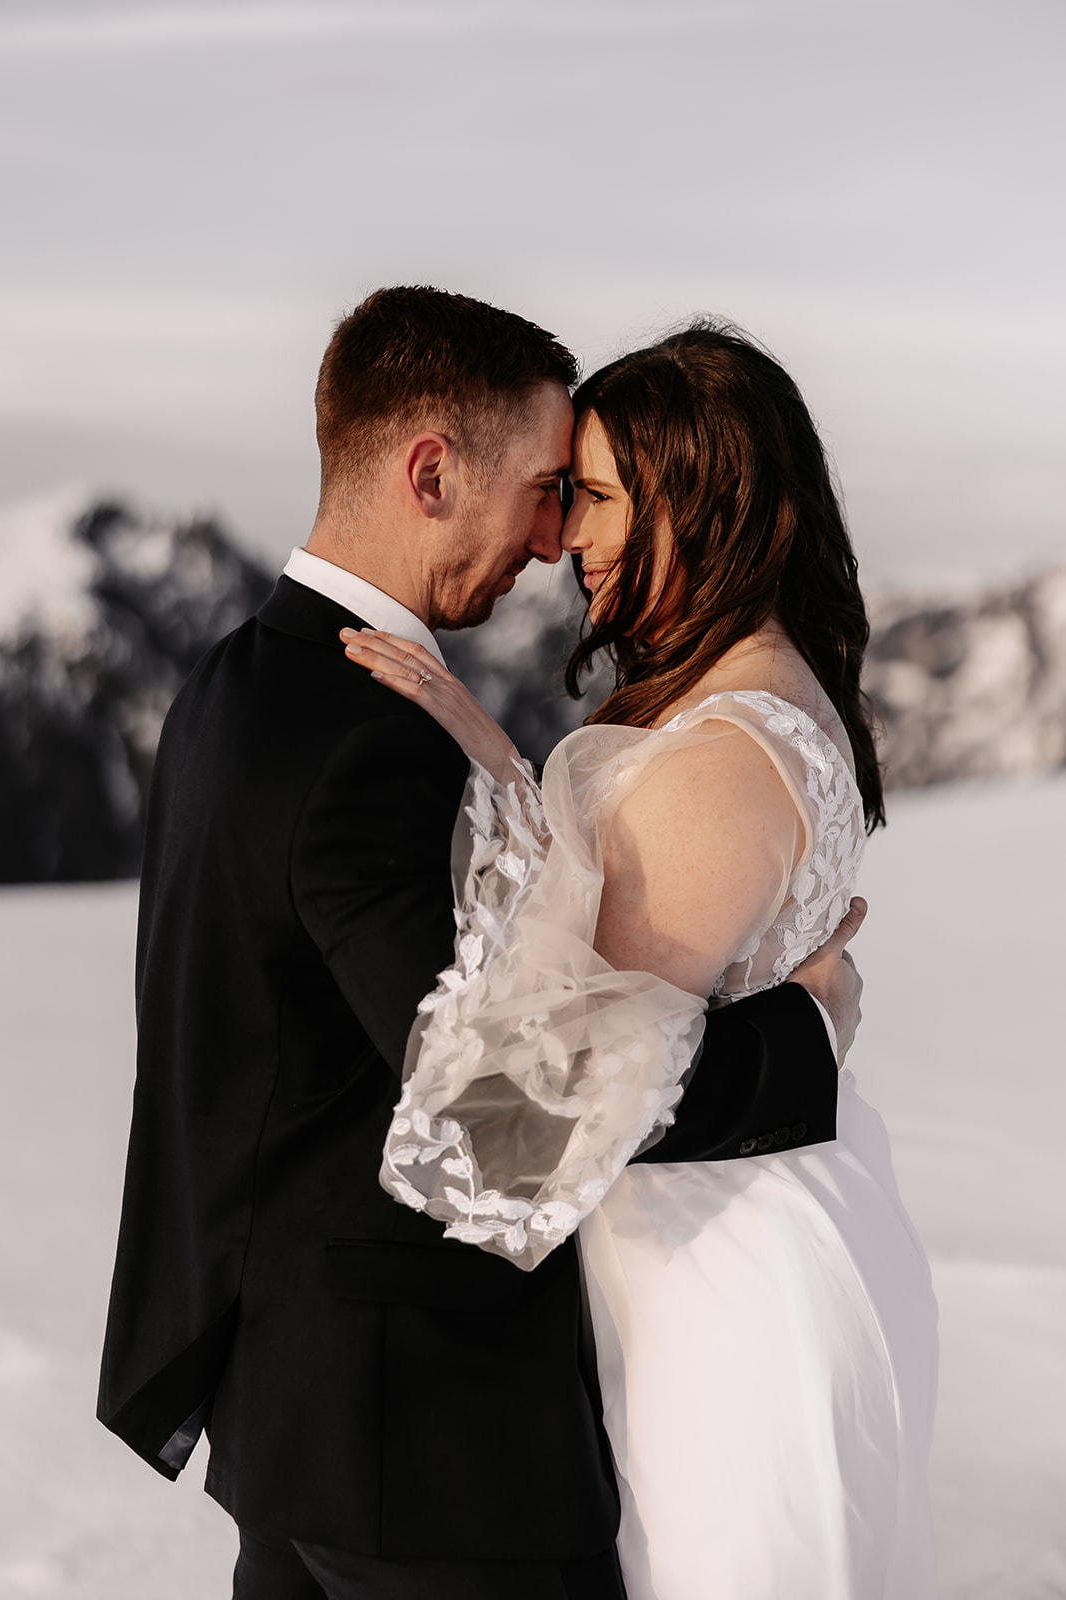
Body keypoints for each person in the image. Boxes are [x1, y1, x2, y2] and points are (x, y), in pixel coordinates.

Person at [98, 289, 862, 1600]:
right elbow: (515, 1112)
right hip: (430, 1439)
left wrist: (504, 782)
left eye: (586, 499)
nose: (556, 540)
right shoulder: (368, 742)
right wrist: (805, 1030)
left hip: (295, 1409)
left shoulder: (232, 683)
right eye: (549, 488)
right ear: (431, 471)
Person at [345, 320, 939, 1598]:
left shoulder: (721, 759)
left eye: (601, 495)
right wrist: (498, 759)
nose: (568, 539)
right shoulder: (734, 703)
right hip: (701, 1250)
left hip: (720, 1290)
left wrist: (808, 1028)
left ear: (705, 499)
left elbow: (537, 1123)